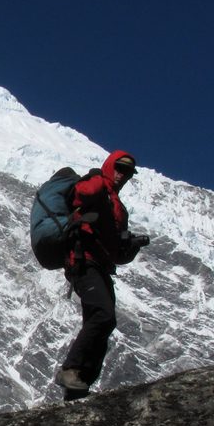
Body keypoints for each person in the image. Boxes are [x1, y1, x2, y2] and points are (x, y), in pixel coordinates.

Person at [55, 150, 147, 399]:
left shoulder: (120, 210)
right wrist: (98, 179)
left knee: (106, 322)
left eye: (127, 172)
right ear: (109, 166)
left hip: (101, 266)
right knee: (103, 315)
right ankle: (71, 370)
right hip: (82, 260)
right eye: (118, 168)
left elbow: (118, 254)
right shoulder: (95, 184)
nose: (122, 174)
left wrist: (134, 245)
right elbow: (81, 195)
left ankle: (79, 387)